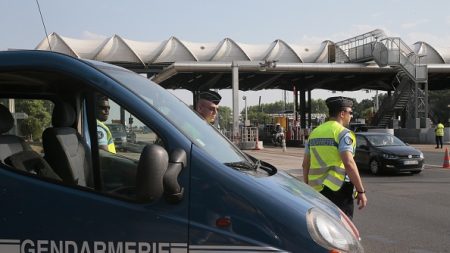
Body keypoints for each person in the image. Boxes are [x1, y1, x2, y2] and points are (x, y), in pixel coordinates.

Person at [302, 96, 367, 219]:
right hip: (339, 190)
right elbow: (349, 163)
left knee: (322, 226)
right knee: (342, 228)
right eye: (350, 112)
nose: (351, 116)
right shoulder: (344, 134)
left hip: (316, 189)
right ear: (342, 114)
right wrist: (361, 191)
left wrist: (307, 187)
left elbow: (305, 164)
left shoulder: (314, 133)